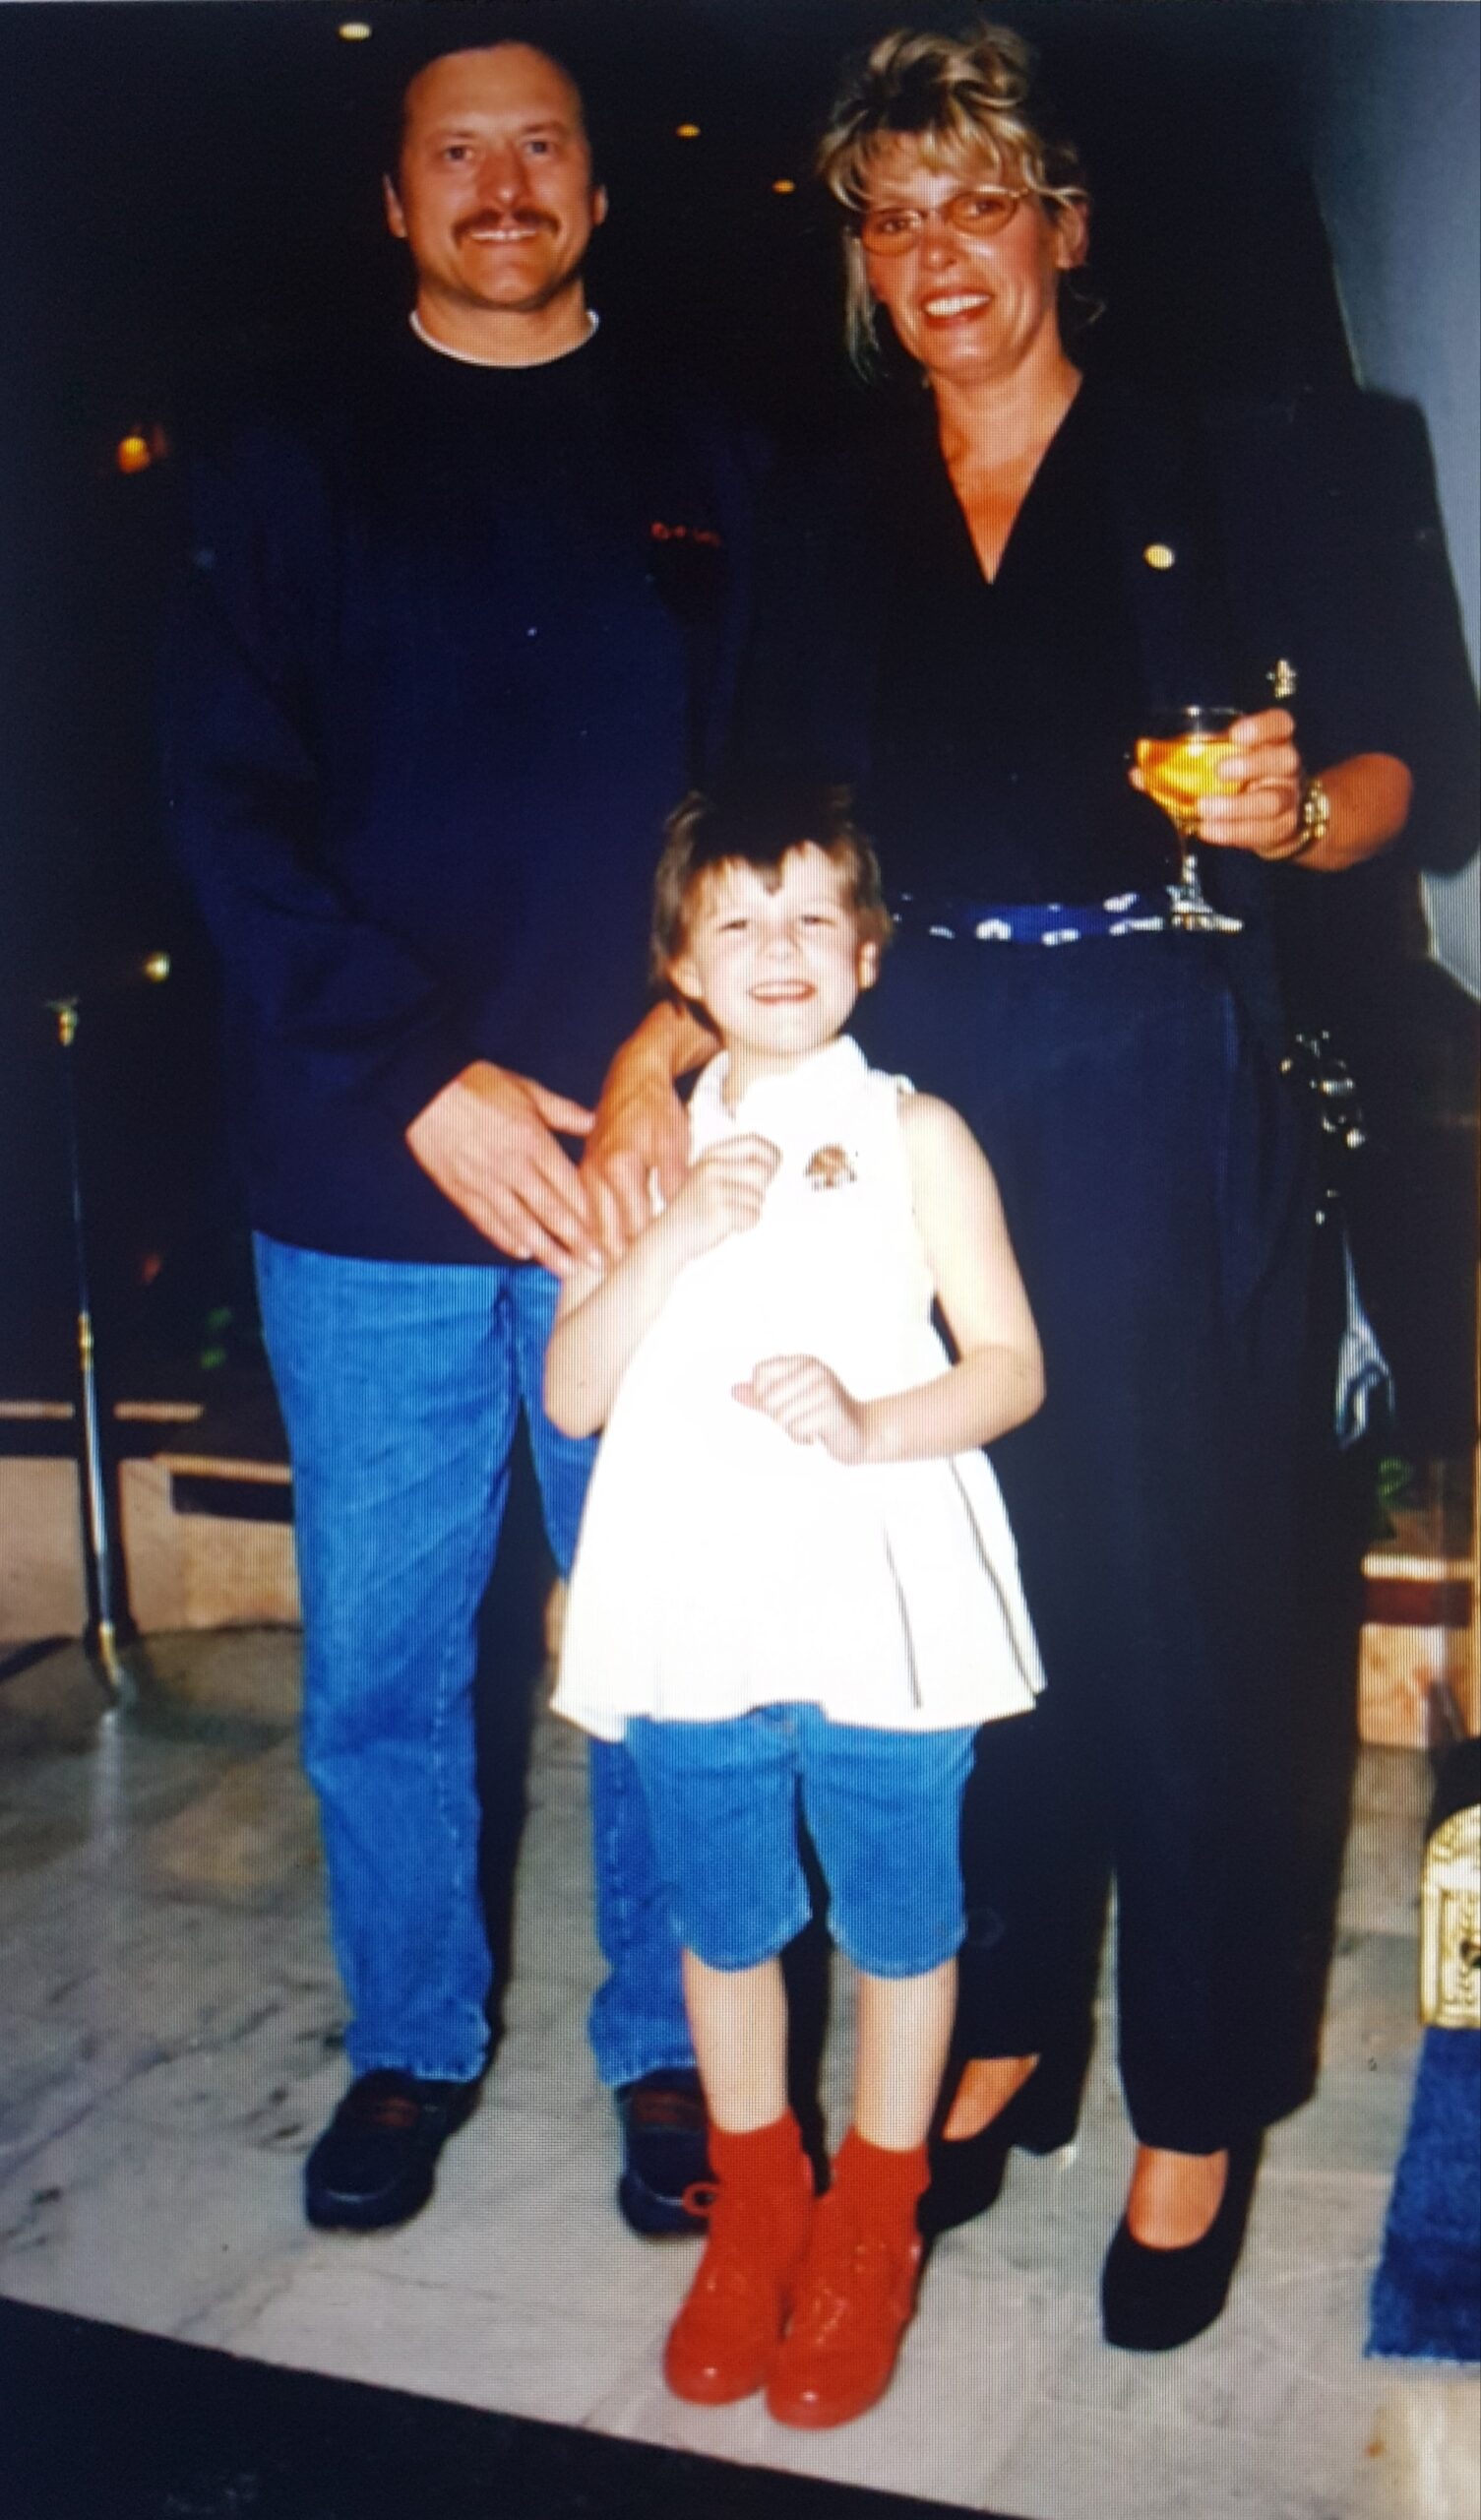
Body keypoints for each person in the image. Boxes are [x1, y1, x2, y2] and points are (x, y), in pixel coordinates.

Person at [591, 24, 1460, 2350]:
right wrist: (656, 1050)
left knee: (1193, 1600)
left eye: (977, 199)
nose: (934, 253)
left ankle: (1197, 2090)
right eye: (891, 216)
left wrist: (1306, 812)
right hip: (917, 1089)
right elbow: (754, 820)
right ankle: (1008, 2021)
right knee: (960, 1561)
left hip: (1171, 1067)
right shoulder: (822, 495)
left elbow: (1423, 768)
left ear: (1065, 223)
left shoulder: (1253, 450)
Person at [163, 39, 757, 2237]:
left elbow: (783, 793)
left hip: (642, 1159)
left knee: (664, 1637)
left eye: (542, 148)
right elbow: (220, 809)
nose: (503, 186)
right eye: (456, 153)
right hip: (371, 1165)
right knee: (388, 1665)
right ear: (397, 199)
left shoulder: (713, 448)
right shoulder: (280, 451)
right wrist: (418, 1072)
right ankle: (411, 2040)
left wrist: (661, 1051)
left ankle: (672, 2048)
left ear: (598, 190)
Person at [545, 782, 1045, 2426]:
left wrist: (872, 1420)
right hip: (691, 1608)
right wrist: (674, 1231)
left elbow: (1009, 1368)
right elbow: (573, 1394)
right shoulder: (648, 1151)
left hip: (878, 1601)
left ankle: (872, 2220)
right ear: (680, 969)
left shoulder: (916, 1134)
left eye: (814, 917)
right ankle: (758, 2204)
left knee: (899, 1923)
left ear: (869, 951)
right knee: (726, 1922)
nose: (778, 950)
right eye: (737, 923)